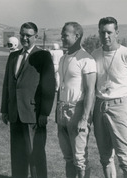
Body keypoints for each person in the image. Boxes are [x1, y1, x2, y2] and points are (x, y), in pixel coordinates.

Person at [1, 22, 55, 178]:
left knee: (35, 155)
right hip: (14, 113)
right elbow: (7, 84)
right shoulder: (13, 56)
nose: (24, 38)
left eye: (28, 35)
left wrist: (44, 113)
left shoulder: (43, 56)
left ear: (36, 37)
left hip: (33, 114)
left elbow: (49, 86)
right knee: (17, 155)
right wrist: (5, 109)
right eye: (22, 34)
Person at [91, 17, 127, 178]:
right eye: (102, 32)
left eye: (109, 32)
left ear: (117, 33)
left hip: (120, 105)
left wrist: (126, 105)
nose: (105, 36)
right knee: (105, 158)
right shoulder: (94, 55)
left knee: (126, 159)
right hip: (99, 107)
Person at [55, 22, 96, 178]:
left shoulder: (86, 59)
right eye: (62, 34)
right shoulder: (63, 58)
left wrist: (84, 119)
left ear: (77, 36)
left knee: (80, 159)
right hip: (62, 110)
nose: (62, 38)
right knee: (68, 157)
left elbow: (90, 91)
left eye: (65, 34)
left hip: (77, 111)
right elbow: (61, 87)